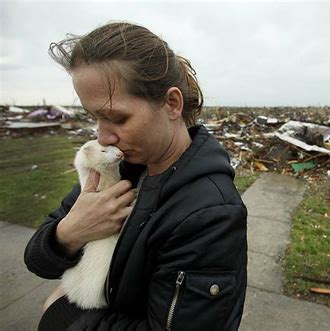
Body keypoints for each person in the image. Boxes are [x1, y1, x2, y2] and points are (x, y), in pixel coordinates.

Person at [24, 22, 248, 331]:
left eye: (117, 118)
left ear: (171, 103)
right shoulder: (119, 170)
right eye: (95, 118)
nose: (103, 137)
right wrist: (69, 233)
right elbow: (37, 260)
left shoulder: (210, 214)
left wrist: (61, 316)